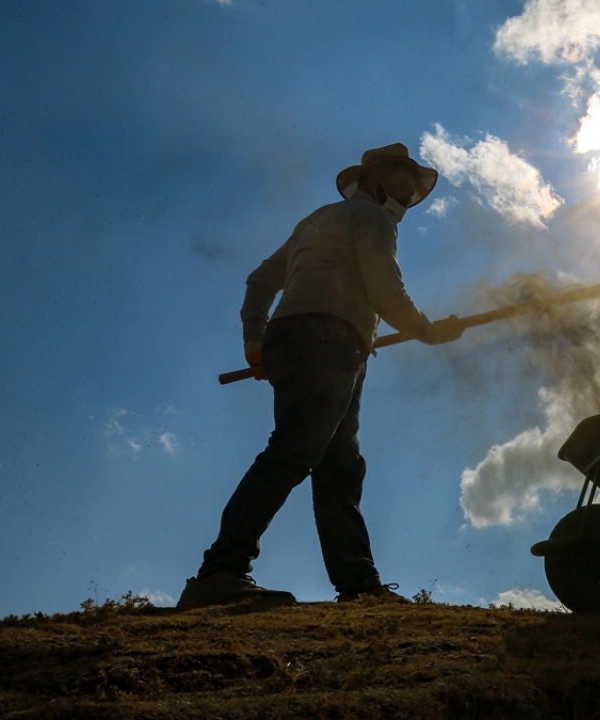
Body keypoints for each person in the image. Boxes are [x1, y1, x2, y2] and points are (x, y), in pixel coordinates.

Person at [177, 143, 463, 610]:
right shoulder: (373, 218)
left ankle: (358, 584)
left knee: (338, 465)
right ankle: (219, 571)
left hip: (314, 340)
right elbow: (386, 291)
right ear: (373, 181)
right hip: (327, 339)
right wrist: (430, 332)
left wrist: (256, 341)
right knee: (295, 450)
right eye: (399, 182)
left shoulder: (316, 220)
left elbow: (260, 281)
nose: (407, 194)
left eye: (412, 188)